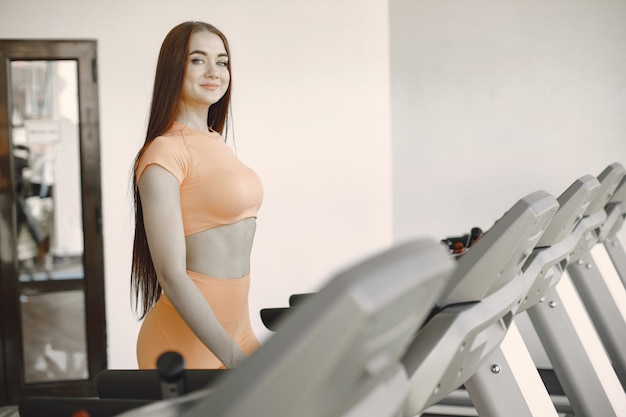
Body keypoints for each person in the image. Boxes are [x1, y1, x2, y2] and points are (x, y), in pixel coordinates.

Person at [130, 21, 263, 370]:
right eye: (198, 60)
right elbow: (171, 273)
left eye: (222, 61)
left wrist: (239, 351)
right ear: (175, 68)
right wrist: (234, 358)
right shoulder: (164, 152)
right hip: (183, 342)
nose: (214, 72)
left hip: (239, 332)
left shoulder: (217, 142)